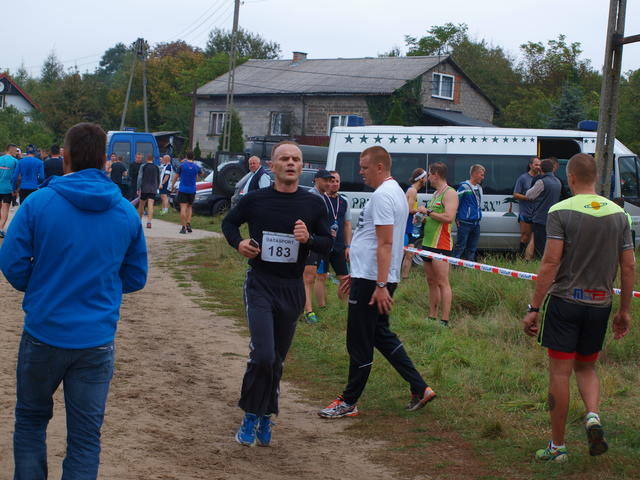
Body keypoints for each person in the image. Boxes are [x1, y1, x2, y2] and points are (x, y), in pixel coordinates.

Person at [0, 122, 148, 479]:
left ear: (64, 156)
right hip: (95, 340)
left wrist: (41, 287)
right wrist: (101, 287)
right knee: (85, 437)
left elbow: (12, 261)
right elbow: (135, 276)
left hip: (44, 332)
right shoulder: (125, 211)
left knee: (31, 420)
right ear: (105, 160)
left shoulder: (39, 203)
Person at [521, 153, 634, 463]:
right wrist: (624, 311)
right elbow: (628, 266)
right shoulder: (619, 215)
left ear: (570, 178)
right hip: (600, 304)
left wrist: (534, 306)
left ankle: (557, 447)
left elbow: (550, 262)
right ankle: (593, 415)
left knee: (560, 373)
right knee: (586, 367)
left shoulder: (560, 211)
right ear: (596, 177)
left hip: (565, 302)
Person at [221, 141, 332, 447]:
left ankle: (266, 414)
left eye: (296, 159)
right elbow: (229, 222)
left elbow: (328, 243)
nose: (291, 163)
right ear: (272, 166)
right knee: (263, 355)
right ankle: (250, 415)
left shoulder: (313, 204)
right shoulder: (256, 200)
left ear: (302, 166)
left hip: (292, 287)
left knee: (277, 361)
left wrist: (309, 240)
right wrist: (239, 243)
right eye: (284, 158)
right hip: (260, 283)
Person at [318, 146, 436, 419]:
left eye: (364, 167)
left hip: (374, 280)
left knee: (358, 340)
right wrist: (357, 274)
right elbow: (372, 240)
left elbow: (385, 243)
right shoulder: (393, 192)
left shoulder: (384, 195)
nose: (360, 172)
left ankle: (348, 401)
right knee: (380, 335)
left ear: (380, 167)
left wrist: (380, 285)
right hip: (370, 276)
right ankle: (420, 387)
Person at [420, 162, 458, 327]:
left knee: (443, 282)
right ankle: (432, 315)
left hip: (441, 244)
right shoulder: (436, 193)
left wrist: (428, 212)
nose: (428, 178)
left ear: (436, 174)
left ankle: (444, 319)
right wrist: (423, 218)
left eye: (429, 174)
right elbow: (434, 216)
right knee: (431, 281)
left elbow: (449, 218)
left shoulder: (450, 193)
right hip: (427, 242)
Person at [314, 170, 352, 307]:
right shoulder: (320, 199)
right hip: (323, 244)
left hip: (339, 245)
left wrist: (348, 246)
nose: (335, 183)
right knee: (321, 276)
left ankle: (343, 307)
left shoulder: (344, 201)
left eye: (337, 181)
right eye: (332, 181)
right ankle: (322, 307)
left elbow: (347, 224)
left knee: (344, 278)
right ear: (326, 182)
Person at [302, 169, 334, 323]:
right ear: (316, 180)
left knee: (313, 276)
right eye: (325, 180)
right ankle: (308, 312)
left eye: (330, 180)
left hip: (319, 241)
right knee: (308, 277)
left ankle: (301, 307)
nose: (328, 183)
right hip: (310, 241)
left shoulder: (324, 197)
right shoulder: (311, 196)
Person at [525, 159, 562, 258]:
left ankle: (539, 263)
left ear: (541, 169)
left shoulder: (541, 182)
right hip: (553, 218)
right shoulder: (558, 181)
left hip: (540, 218)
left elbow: (529, 195)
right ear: (552, 169)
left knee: (540, 246)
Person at [451, 164, 485, 261]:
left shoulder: (479, 188)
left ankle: (469, 266)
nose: (483, 177)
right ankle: (454, 265)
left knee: (472, 248)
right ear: (474, 174)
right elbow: (456, 202)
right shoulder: (464, 187)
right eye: (481, 175)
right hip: (465, 223)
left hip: (476, 223)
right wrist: (456, 217)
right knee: (460, 246)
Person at [401, 168, 428, 279]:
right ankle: (394, 278)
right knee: (403, 254)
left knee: (410, 254)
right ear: (420, 179)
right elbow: (409, 209)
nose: (427, 180)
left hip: (410, 226)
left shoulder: (413, 190)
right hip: (407, 226)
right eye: (425, 177)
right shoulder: (412, 191)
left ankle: (404, 278)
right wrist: (421, 210)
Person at [512, 157, 541, 257]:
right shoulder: (523, 178)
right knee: (525, 236)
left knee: (537, 237)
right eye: (536, 165)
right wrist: (528, 198)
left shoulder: (542, 178)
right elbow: (515, 194)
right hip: (526, 213)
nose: (538, 167)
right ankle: (521, 258)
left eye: (539, 165)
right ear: (530, 165)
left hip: (538, 213)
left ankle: (532, 258)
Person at [171, 151, 201, 234]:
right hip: (192, 190)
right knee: (189, 207)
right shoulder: (196, 167)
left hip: (183, 189)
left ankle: (183, 227)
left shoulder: (182, 166)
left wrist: (172, 186)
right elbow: (199, 176)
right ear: (193, 157)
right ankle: (188, 224)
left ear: (186, 157)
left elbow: (175, 177)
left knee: (183, 208)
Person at [0, 143, 19, 238]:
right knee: (5, 210)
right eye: (15, 150)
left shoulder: (0, 159)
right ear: (11, 150)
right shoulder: (15, 161)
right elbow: (17, 177)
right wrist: (16, 189)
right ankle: (0, 229)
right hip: (8, 189)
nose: (16, 152)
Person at [137, 154, 160, 228]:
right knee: (150, 205)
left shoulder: (143, 166)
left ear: (147, 159)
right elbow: (158, 178)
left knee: (141, 205)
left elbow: (140, 177)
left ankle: (139, 221)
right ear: (153, 159)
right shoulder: (156, 167)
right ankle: (149, 222)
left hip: (144, 188)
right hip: (153, 188)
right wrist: (157, 187)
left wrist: (138, 188)